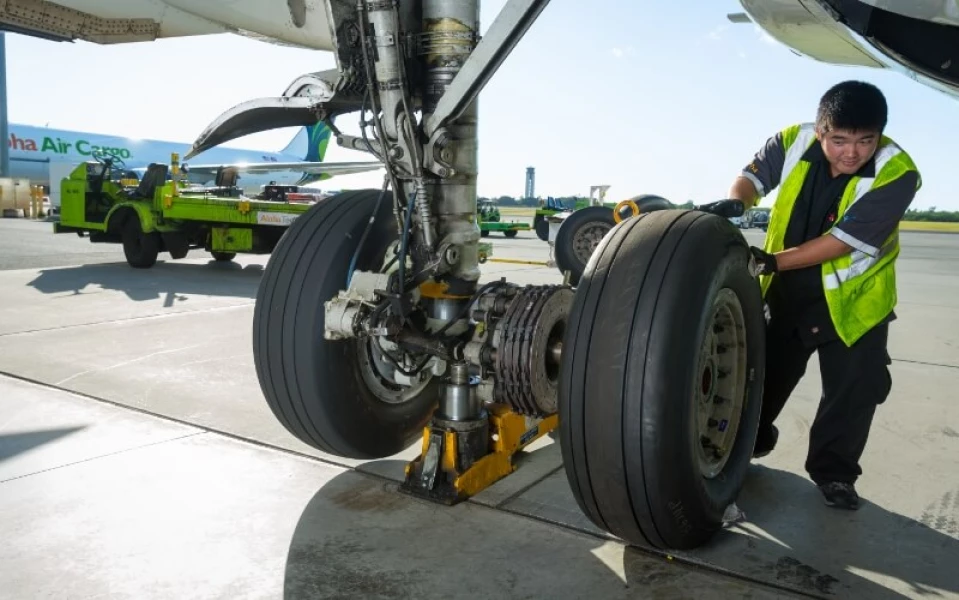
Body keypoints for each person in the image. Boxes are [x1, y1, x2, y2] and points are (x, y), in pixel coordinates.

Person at [727, 80, 921, 510]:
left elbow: (842, 242)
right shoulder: (791, 141)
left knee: (855, 390)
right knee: (762, 381)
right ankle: (750, 443)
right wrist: (736, 210)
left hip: (854, 305)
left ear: (880, 134)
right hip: (787, 296)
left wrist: (771, 261)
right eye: (839, 140)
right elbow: (750, 179)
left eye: (864, 141)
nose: (851, 153)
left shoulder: (898, 173)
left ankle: (835, 475)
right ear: (820, 131)